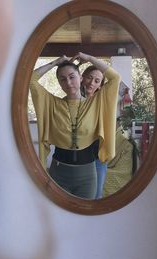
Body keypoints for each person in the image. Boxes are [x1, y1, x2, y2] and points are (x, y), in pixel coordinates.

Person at [30, 52, 121, 199]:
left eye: (72, 77)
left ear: (81, 78)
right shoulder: (52, 103)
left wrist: (90, 58)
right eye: (63, 79)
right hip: (58, 173)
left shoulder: (95, 102)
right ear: (59, 83)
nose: (68, 82)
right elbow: (31, 80)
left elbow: (115, 78)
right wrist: (56, 62)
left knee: (86, 218)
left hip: (87, 175)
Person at [81, 65, 108, 199]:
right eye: (89, 78)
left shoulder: (102, 102)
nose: (92, 83)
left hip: (97, 157)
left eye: (97, 81)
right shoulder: (71, 100)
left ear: (100, 85)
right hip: (77, 158)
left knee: (96, 198)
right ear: (82, 78)